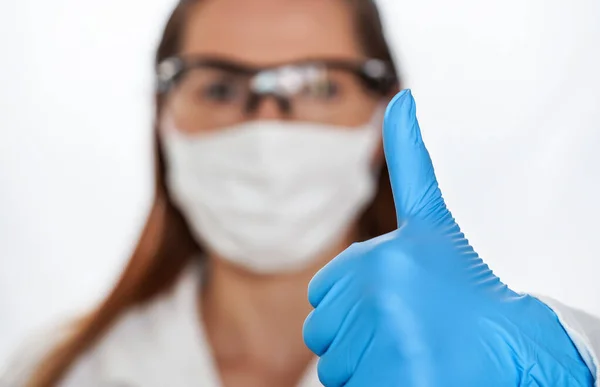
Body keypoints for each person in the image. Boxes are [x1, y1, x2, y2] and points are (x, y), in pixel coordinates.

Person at [1, 0, 598, 386]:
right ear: (163, 117)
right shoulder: (59, 372)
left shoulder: (487, 361)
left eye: (315, 84)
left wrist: (567, 372)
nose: (267, 125)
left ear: (382, 114)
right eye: (218, 87)